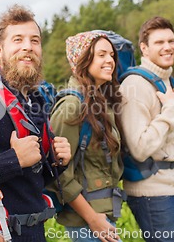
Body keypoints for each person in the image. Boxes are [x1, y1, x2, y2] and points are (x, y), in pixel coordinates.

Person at [0, 5, 72, 242]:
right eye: (18, 40)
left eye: (35, 41)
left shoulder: (37, 99)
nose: (28, 47)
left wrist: (57, 161)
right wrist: (14, 160)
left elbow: (36, 178)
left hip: (34, 231)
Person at [119, 16, 174, 242]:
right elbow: (140, 148)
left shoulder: (166, 80)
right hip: (152, 193)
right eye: (159, 42)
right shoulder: (135, 85)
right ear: (144, 48)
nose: (168, 47)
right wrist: (171, 111)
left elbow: (172, 141)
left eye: (171, 41)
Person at [48, 32, 124, 242]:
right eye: (101, 54)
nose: (110, 60)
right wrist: (92, 219)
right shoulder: (72, 106)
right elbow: (58, 173)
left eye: (111, 55)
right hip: (88, 221)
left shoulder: (100, 102)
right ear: (82, 60)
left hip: (103, 213)